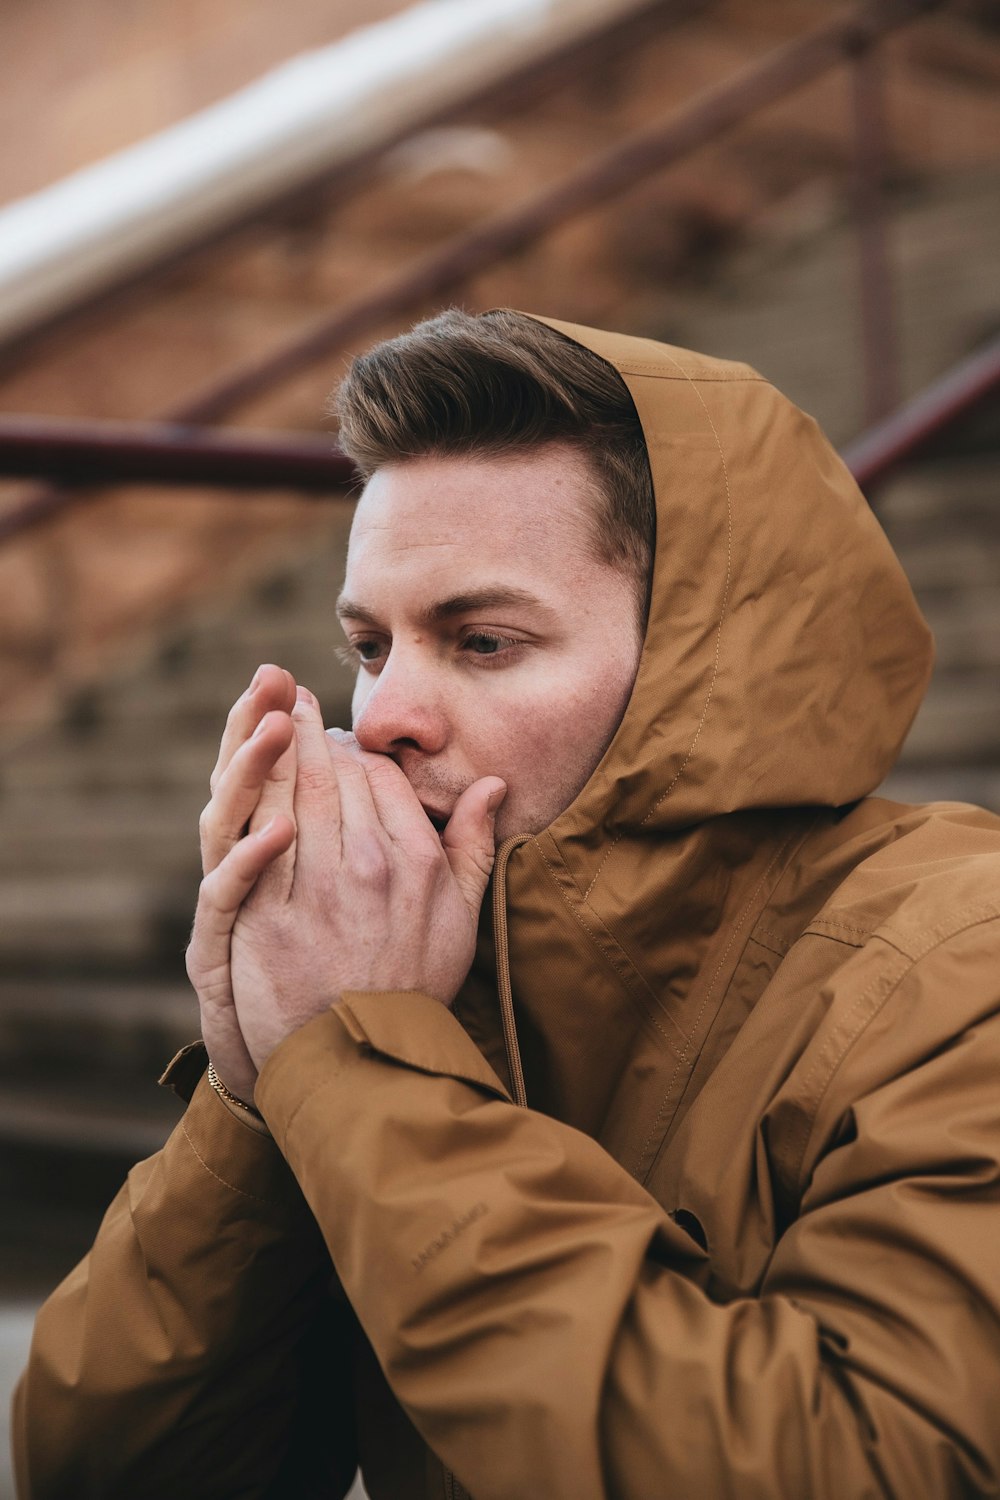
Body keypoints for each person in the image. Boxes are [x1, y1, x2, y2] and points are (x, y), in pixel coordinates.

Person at [13, 309, 1000, 1500]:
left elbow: (865, 1466)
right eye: (369, 646)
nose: (380, 718)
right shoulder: (428, 970)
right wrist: (258, 1094)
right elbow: (108, 1474)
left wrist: (363, 1075)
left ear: (703, 668)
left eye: (481, 641)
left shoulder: (961, 956)